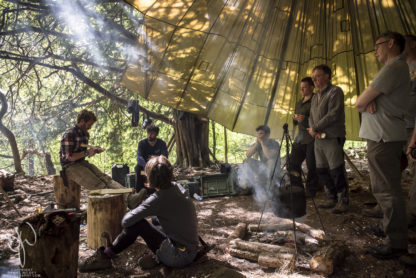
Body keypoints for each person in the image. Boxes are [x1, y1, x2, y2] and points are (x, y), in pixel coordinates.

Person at [79, 155, 199, 272]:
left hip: (180, 256)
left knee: (138, 224)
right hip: (190, 249)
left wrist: (139, 209)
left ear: (150, 178)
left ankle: (105, 256)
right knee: (154, 221)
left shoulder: (158, 198)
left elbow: (126, 221)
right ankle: (160, 256)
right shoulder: (177, 187)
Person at [355, 31, 409, 259]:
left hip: (383, 137)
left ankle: (396, 243)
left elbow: (359, 101)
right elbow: (364, 102)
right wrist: (370, 100)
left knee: (387, 190)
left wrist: (367, 100)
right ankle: (391, 228)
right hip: (384, 135)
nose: (375, 51)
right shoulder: (396, 69)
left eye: (377, 46)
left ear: (391, 43)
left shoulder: (393, 67)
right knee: (387, 187)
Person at [60, 109, 145, 209]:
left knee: (106, 179)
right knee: (98, 184)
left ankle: (131, 199)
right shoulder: (69, 135)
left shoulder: (85, 134)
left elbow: (82, 152)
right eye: (89, 124)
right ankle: (120, 205)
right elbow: (69, 157)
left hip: (81, 163)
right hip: (70, 167)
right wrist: (87, 152)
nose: (90, 127)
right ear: (82, 121)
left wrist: (94, 150)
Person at [307, 64, 349, 214]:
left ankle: (342, 201)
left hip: (331, 136)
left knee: (336, 169)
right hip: (318, 138)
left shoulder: (335, 92)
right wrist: (312, 130)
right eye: (314, 77)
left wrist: (316, 127)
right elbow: (311, 116)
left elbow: (334, 114)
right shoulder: (315, 96)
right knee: (322, 169)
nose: (315, 79)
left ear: (327, 76)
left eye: (318, 76)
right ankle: (331, 198)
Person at [288, 77, 319, 197]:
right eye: (301, 88)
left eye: (304, 87)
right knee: (292, 162)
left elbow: (319, 119)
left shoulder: (316, 100)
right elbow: (296, 123)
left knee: (312, 166)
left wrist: (305, 119)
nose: (302, 90)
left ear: (312, 87)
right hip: (300, 138)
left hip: (312, 137)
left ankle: (311, 191)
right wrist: (295, 119)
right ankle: (297, 187)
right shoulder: (298, 103)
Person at [135, 124, 168, 193]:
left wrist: (156, 161)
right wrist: (147, 166)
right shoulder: (142, 143)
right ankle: (139, 192)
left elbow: (165, 157)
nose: (149, 135)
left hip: (158, 166)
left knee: (165, 168)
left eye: (152, 133)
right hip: (145, 166)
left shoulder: (161, 143)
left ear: (156, 134)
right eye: (148, 133)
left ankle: (161, 190)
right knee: (138, 168)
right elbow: (139, 157)